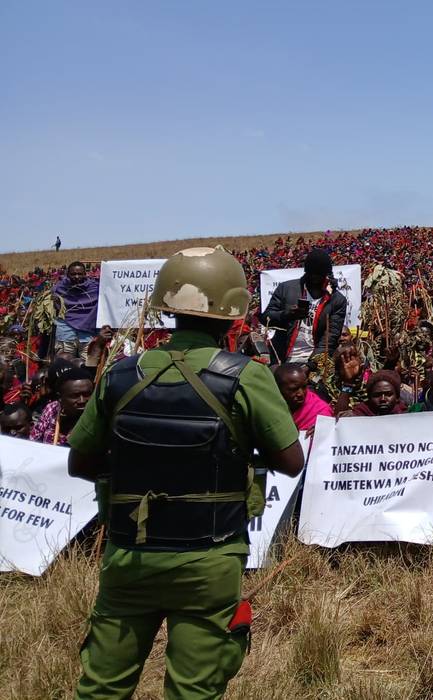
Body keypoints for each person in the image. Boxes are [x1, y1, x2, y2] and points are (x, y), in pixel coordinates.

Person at [67, 246, 304, 698]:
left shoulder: (121, 374)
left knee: (101, 687)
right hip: (210, 556)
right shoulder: (245, 376)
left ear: (166, 307)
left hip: (129, 553)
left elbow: (80, 463)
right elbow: (292, 462)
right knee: (194, 690)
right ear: (233, 314)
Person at [261, 248, 348, 364]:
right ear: (306, 271)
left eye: (319, 274)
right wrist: (287, 315)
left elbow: (330, 338)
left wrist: (311, 365)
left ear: (326, 274)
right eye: (312, 273)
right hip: (282, 358)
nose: (315, 278)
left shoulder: (337, 300)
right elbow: (266, 318)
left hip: (315, 360)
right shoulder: (286, 289)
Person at [29, 365, 93, 445]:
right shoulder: (52, 409)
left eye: (87, 394)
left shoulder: (96, 418)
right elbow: (34, 440)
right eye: (75, 396)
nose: (82, 400)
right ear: (60, 397)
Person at [52, 261, 100, 359]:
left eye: (80, 274)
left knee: (87, 363)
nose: (77, 277)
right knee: (65, 363)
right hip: (65, 330)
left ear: (85, 274)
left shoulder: (95, 288)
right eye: (73, 274)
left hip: (87, 331)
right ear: (68, 275)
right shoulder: (59, 288)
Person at [274, 363, 332, 431]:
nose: (301, 394)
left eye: (304, 387)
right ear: (278, 388)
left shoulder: (320, 411)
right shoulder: (269, 406)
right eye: (293, 389)